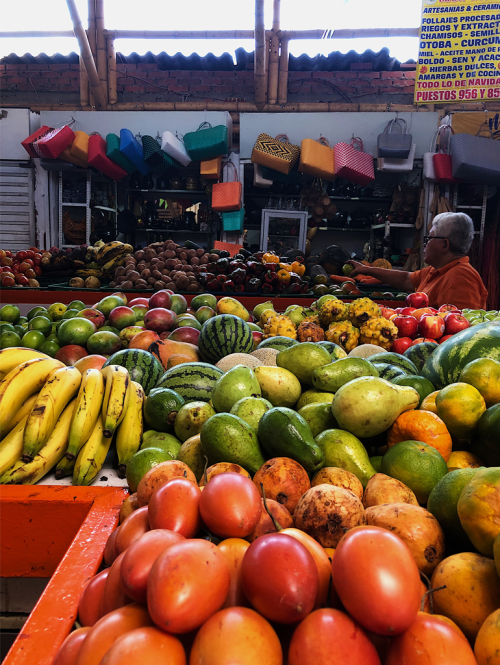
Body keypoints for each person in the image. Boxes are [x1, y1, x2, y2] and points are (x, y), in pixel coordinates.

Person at [347, 212, 488, 310]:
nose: (425, 243)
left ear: (444, 244)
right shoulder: (437, 270)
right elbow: (406, 279)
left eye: (429, 238)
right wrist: (366, 269)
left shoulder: (462, 278)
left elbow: (459, 335)